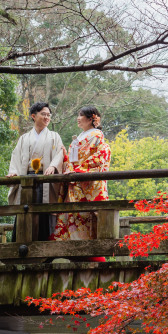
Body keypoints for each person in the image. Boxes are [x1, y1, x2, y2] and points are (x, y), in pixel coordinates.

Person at [51, 106, 110, 248]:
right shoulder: (81, 136)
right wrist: (65, 158)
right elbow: (73, 160)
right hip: (73, 181)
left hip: (84, 181)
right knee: (73, 215)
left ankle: (85, 248)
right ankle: (71, 247)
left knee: (84, 216)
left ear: (91, 118)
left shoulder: (96, 135)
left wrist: (79, 170)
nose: (78, 118)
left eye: (81, 115)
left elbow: (101, 155)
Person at [7, 102, 64, 241]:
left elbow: (61, 153)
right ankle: (21, 243)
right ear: (34, 116)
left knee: (44, 213)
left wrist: (53, 166)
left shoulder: (54, 136)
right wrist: (14, 172)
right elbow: (15, 157)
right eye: (43, 114)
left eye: (48, 115)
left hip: (46, 179)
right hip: (27, 178)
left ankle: (45, 247)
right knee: (25, 211)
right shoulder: (24, 138)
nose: (46, 117)